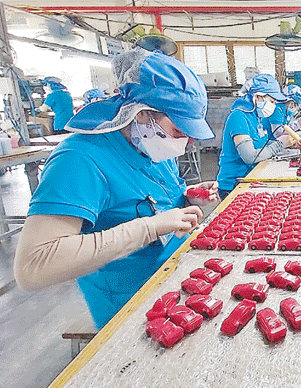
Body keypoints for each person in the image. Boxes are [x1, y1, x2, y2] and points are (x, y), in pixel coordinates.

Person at [14, 49, 218, 329]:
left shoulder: (152, 146)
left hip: (178, 276)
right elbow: (33, 267)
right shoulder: (79, 159)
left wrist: (186, 197)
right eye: (179, 129)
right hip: (131, 301)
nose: (189, 140)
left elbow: (151, 197)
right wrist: (147, 228)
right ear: (142, 113)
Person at [217, 74, 296, 199]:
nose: (274, 106)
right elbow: (250, 156)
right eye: (272, 101)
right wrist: (280, 144)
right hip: (234, 184)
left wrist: (286, 147)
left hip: (250, 178)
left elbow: (260, 144)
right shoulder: (239, 117)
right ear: (258, 96)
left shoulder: (256, 117)